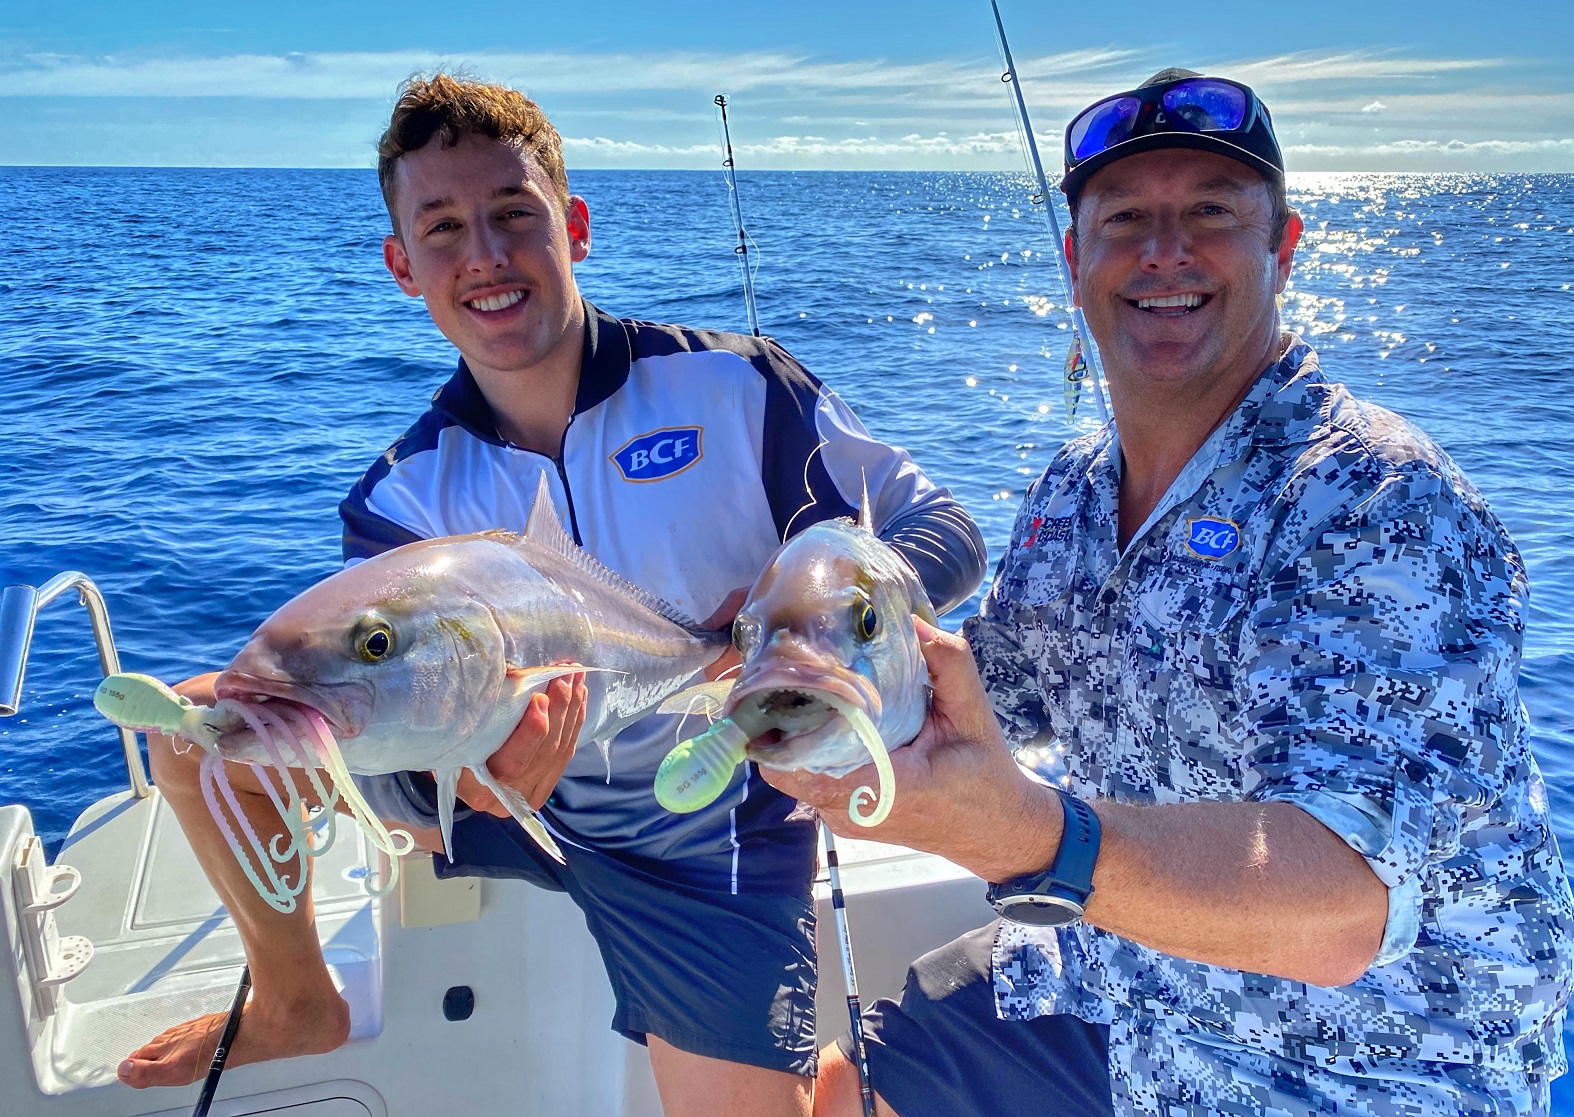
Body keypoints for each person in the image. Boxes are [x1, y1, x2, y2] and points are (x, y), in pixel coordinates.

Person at [117, 74, 985, 1116]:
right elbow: (377, 729)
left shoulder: (740, 391)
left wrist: (806, 637)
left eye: (512, 215)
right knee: (198, 738)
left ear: (572, 225)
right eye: (442, 228)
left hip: (704, 831)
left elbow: (945, 534)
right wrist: (480, 779)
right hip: (506, 804)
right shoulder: (402, 496)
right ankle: (298, 1000)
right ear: (402, 266)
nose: (483, 255)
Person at [773, 68, 1574, 1117]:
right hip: (1129, 978)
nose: (1164, 251)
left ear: (1284, 249)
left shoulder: (1376, 499)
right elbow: (995, 697)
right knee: (850, 1086)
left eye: (1210, 214)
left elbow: (1339, 910)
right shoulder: (1072, 487)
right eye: (1126, 221)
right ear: (1075, 262)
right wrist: (808, 672)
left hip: (1365, 1060)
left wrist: (1028, 834)